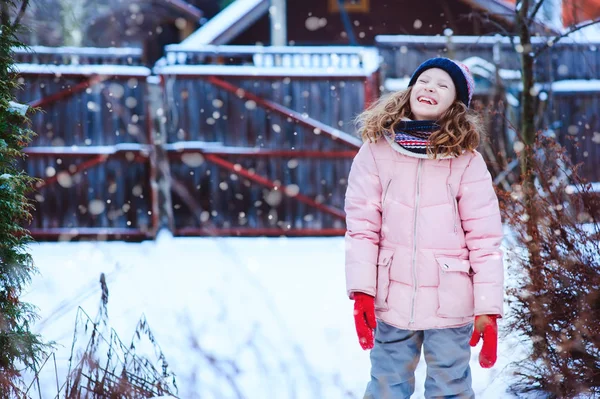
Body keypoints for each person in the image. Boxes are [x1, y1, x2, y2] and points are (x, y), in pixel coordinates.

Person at [344, 57, 504, 399]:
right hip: (391, 299)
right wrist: (362, 292)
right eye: (424, 80)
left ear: (455, 105)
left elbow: (485, 240)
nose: (430, 87)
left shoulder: (467, 161)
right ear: (410, 89)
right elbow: (362, 229)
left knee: (450, 389)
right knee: (386, 388)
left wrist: (487, 309)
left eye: (442, 85)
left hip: (452, 302)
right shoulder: (375, 152)